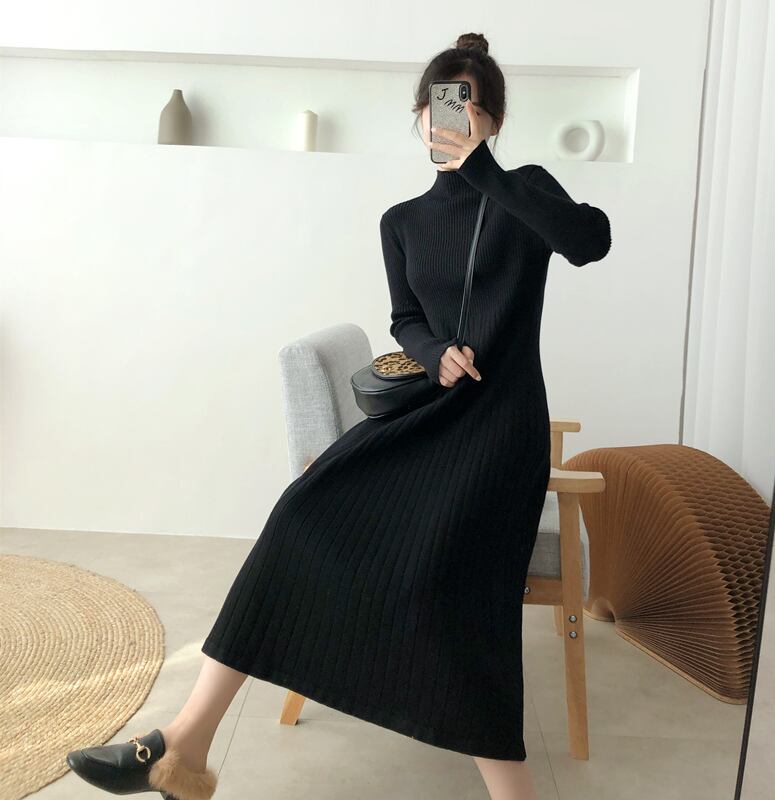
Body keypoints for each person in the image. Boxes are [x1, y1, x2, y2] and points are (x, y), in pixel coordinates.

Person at [65, 31, 611, 800]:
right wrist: (435, 354)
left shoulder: (524, 190)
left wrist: (484, 169)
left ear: (491, 118)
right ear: (419, 114)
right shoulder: (401, 220)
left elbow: (591, 242)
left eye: (468, 106)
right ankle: (187, 744)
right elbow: (405, 320)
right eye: (440, 104)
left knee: (451, 588)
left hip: (498, 431)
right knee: (300, 515)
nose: (449, 118)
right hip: (428, 416)